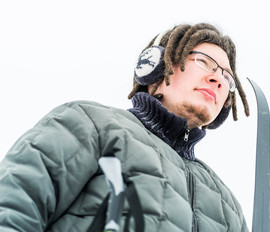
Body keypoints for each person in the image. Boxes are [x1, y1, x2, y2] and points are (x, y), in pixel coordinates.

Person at [0, 23, 250, 231]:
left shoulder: (227, 206)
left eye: (227, 77)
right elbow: (13, 204)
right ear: (156, 67)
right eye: (203, 62)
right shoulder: (91, 124)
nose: (218, 79)